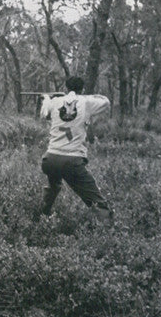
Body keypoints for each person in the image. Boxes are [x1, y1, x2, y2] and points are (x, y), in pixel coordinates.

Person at [39, 76, 111, 218]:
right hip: (72, 161)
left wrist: (47, 99)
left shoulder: (54, 102)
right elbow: (106, 101)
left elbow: (44, 114)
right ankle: (108, 232)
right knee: (97, 202)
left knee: (53, 187)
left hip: (50, 159)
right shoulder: (86, 102)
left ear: (66, 88)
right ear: (82, 89)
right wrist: (82, 96)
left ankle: (42, 216)